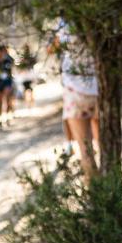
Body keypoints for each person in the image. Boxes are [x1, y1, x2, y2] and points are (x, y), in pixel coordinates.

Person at [49, 20, 99, 177]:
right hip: (100, 88)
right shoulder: (102, 19)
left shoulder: (65, 24)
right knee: (106, 147)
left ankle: (95, 195)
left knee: (85, 151)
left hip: (75, 91)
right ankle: (111, 191)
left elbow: (52, 49)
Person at [15, 44, 38, 108]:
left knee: (31, 90)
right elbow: (19, 66)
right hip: (25, 76)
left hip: (30, 75)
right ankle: (27, 103)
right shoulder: (22, 57)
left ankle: (31, 103)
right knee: (26, 90)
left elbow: (34, 62)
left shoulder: (31, 56)